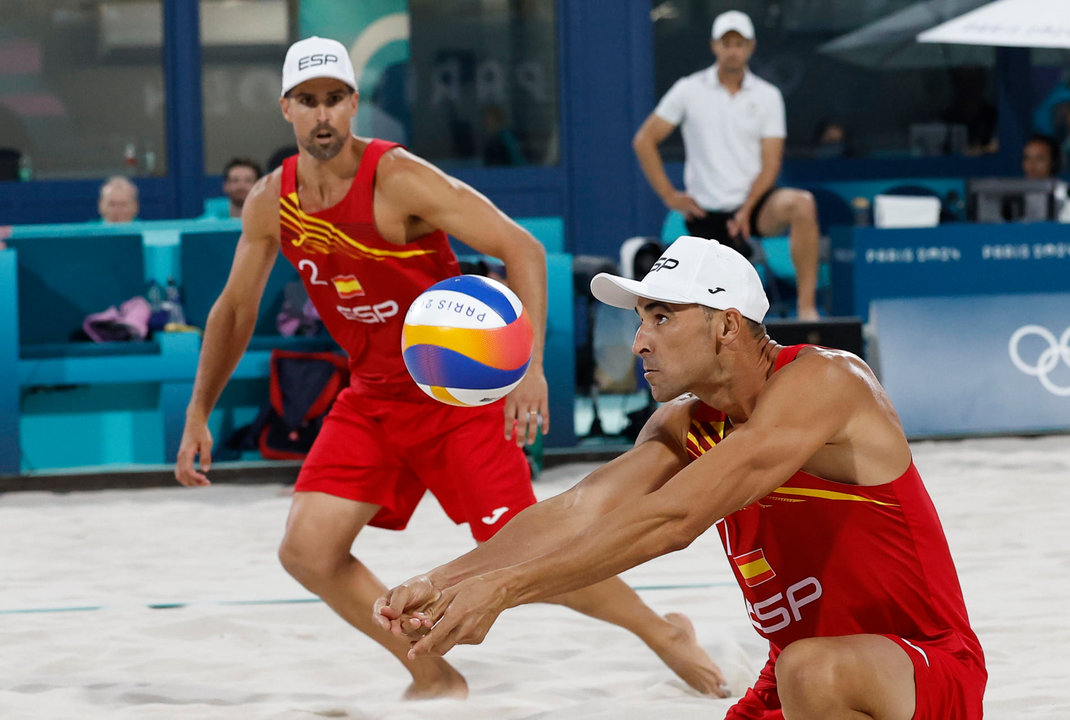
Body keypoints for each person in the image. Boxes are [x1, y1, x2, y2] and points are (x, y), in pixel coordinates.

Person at [174, 36, 725, 700]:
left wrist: (528, 369)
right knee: (307, 552)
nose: (322, 116)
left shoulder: (398, 178)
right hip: (372, 398)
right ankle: (430, 671)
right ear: (285, 108)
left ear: (353, 103)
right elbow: (233, 311)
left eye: (333, 100)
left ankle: (661, 631)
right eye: (307, 101)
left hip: (454, 397)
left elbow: (519, 246)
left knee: (531, 554)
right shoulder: (271, 203)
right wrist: (198, 410)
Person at [376, 235, 987, 719]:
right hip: (792, 679)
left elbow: (675, 519)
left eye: (662, 318)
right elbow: (581, 510)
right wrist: (443, 580)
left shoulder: (826, 382)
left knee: (811, 669)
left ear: (725, 324)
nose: (639, 341)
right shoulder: (680, 423)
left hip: (921, 670)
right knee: (800, 668)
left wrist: (506, 591)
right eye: (640, 319)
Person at [633, 10, 821, 321]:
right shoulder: (689, 89)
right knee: (710, 312)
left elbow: (771, 163)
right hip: (706, 213)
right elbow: (644, 140)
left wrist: (746, 210)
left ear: (751, 47)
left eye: (739, 43)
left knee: (803, 204)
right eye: (727, 43)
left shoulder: (768, 95)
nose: (733, 49)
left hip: (754, 205)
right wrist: (670, 195)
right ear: (714, 46)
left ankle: (806, 309)